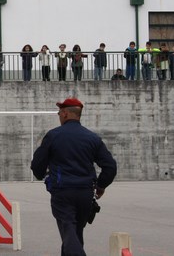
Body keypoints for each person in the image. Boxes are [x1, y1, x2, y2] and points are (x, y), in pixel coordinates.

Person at [31, 97, 117, 256]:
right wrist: (101, 185)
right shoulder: (92, 138)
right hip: (85, 194)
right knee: (75, 233)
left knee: (69, 230)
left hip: (62, 192)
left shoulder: (53, 136)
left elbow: (37, 165)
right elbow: (110, 166)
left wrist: (40, 174)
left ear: (64, 114)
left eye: (59, 113)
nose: (59, 116)